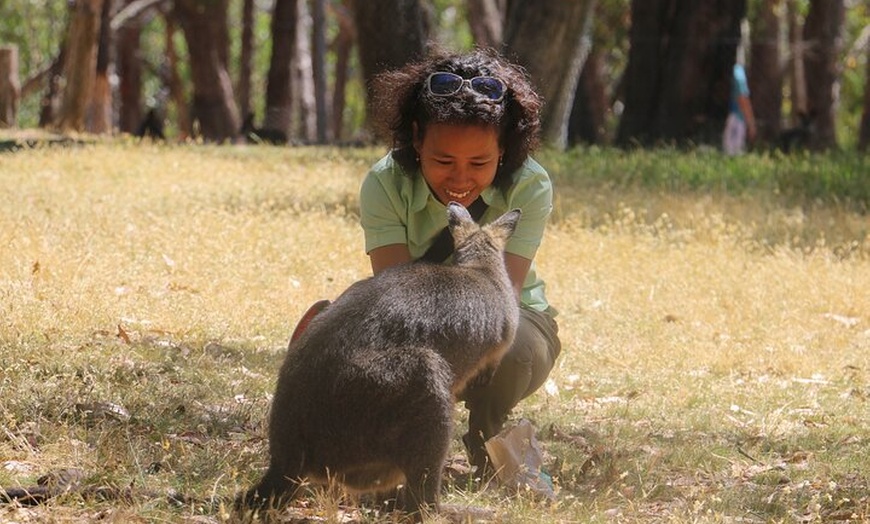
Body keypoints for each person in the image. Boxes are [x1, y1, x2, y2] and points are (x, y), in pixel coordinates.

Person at [358, 48, 562, 476]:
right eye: (443, 161)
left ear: (504, 149)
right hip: (414, 315)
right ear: (416, 139)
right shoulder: (385, 182)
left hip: (505, 317)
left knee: (513, 352)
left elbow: (497, 301)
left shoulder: (530, 185)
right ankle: (387, 450)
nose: (460, 178)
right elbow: (397, 294)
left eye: (480, 163)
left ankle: (486, 436)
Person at [723, 61, 757, 155]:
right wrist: (751, 123)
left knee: (732, 149)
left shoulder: (738, 73)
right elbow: (743, 99)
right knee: (733, 149)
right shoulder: (739, 74)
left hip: (737, 117)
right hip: (737, 118)